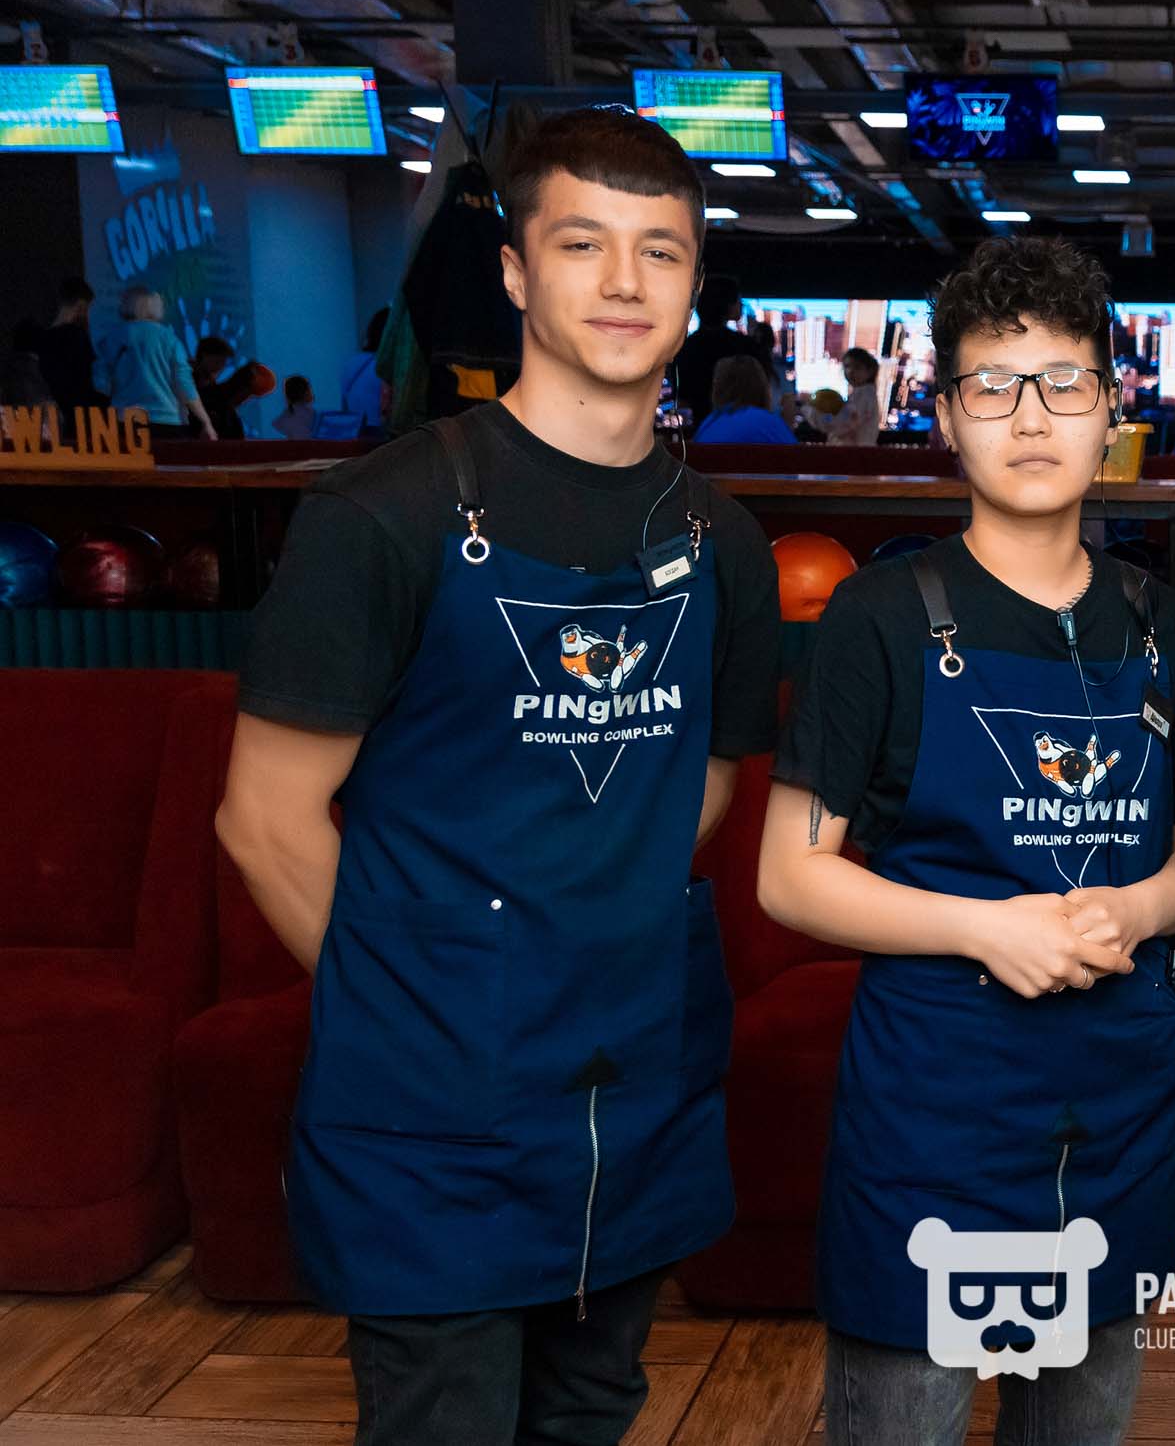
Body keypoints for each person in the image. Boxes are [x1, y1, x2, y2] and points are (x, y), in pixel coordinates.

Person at [214, 105, 781, 1446]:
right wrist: (428, 1005)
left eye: (660, 251)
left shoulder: (726, 544)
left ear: (696, 284)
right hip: (431, 1111)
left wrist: (587, 945)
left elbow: (703, 785)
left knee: (592, 1407)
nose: (625, 282)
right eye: (583, 244)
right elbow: (265, 821)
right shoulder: (382, 516)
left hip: (629, 1073)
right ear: (518, 272)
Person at [758, 236, 1175, 1446]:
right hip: (936, 1114)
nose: (1030, 417)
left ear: (1111, 409)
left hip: (1116, 1109)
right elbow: (791, 875)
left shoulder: (1162, 624)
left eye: (1063, 382)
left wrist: (1144, 907)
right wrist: (985, 929)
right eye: (992, 386)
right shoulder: (880, 617)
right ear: (948, 417)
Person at [93, 287, 216, 440]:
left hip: (124, 421)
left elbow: (101, 384)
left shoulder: (112, 338)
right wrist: (205, 422)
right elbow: (184, 385)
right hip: (167, 421)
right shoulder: (170, 339)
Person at [672, 272, 755, 429]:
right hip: (742, 431)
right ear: (727, 304)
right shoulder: (743, 346)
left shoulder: (687, 347)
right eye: (738, 300)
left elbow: (683, 396)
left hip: (702, 431)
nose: (742, 305)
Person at [30, 278, 102, 412]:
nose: (88, 314)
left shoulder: (40, 338)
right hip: (77, 411)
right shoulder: (77, 336)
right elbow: (88, 376)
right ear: (80, 305)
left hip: (51, 410)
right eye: (88, 308)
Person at [693, 354, 796, 445]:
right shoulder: (768, 423)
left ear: (718, 389)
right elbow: (796, 456)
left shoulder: (708, 424)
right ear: (762, 387)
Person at [193, 335, 259, 438]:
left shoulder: (210, 385)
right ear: (204, 355)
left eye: (224, 361)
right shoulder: (186, 380)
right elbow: (211, 399)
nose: (221, 365)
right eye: (218, 360)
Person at [819, 346, 881, 444]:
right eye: (847, 366)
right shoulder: (862, 393)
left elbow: (843, 424)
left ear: (869, 371)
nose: (850, 371)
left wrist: (811, 410)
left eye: (857, 367)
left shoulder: (864, 394)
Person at [341, 307, 390, 434]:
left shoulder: (352, 362)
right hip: (380, 431)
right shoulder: (388, 364)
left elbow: (345, 403)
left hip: (354, 430)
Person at [274, 375, 319, 439]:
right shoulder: (312, 414)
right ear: (304, 393)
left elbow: (278, 424)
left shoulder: (286, 414)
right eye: (309, 389)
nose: (312, 393)